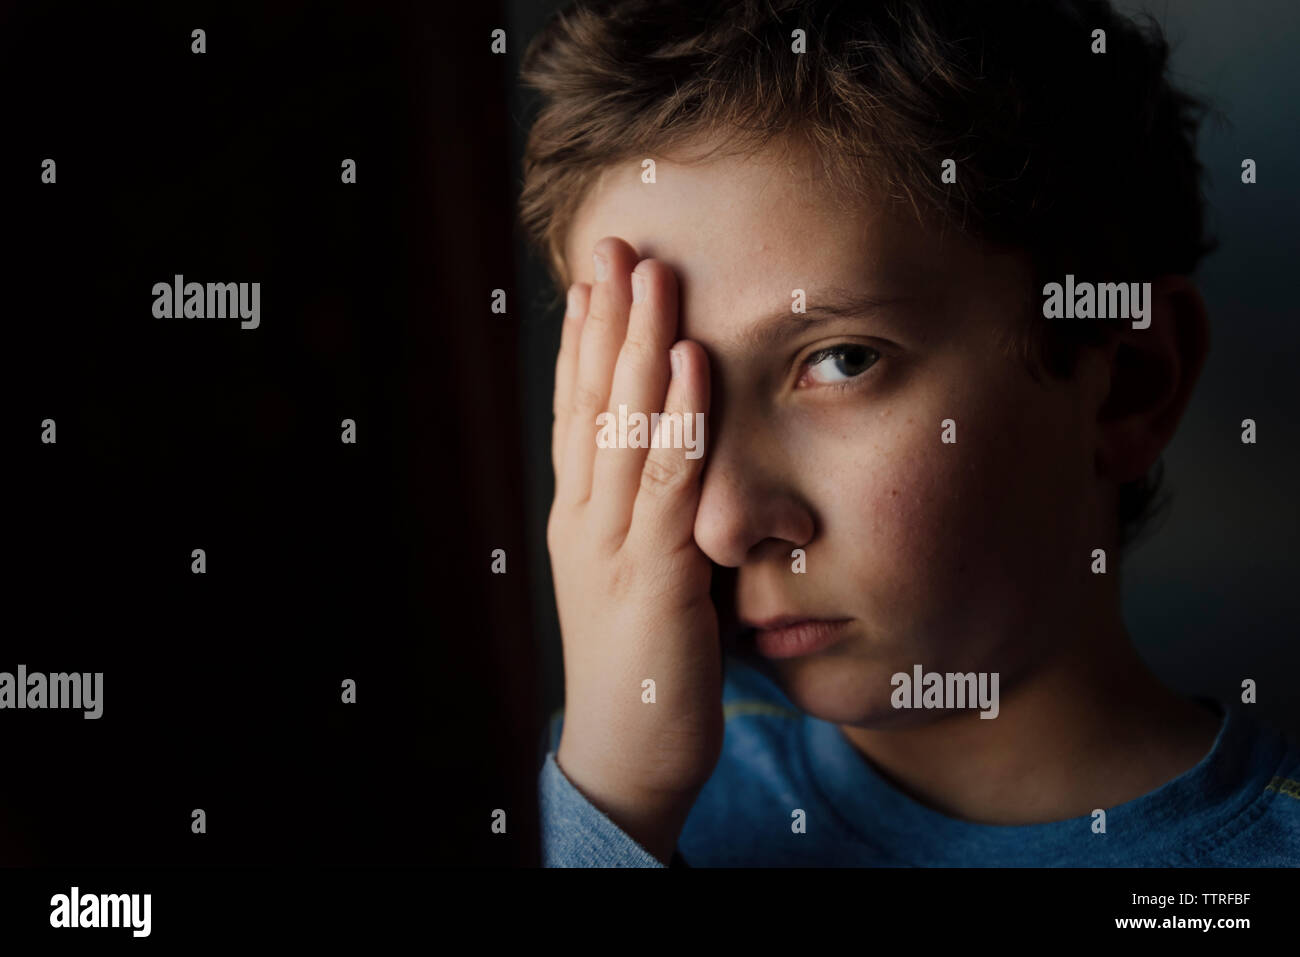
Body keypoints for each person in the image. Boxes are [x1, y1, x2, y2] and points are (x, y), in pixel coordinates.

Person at [517, 0, 1300, 866]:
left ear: (1129, 388)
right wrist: (614, 803)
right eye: (662, 399)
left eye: (843, 359)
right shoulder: (595, 795)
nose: (725, 524)